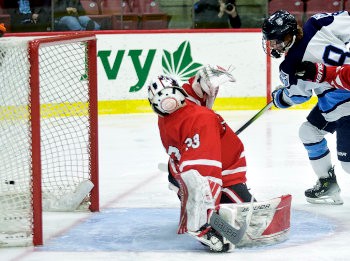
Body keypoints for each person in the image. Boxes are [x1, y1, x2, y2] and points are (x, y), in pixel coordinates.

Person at [147, 66, 255, 252]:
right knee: (202, 181)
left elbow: (191, 92)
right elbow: (202, 172)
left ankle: (204, 211)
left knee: (228, 203)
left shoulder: (175, 116)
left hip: (183, 169)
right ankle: (202, 219)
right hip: (222, 172)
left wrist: (200, 84)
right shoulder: (200, 117)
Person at [261, 10, 350, 205]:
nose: (274, 45)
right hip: (338, 95)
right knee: (308, 132)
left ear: (289, 34)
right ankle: (328, 185)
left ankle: (329, 184)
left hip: (342, 105)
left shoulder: (291, 65)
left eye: (277, 40)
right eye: (271, 41)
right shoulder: (318, 23)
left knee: (348, 164)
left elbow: (298, 97)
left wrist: (279, 98)